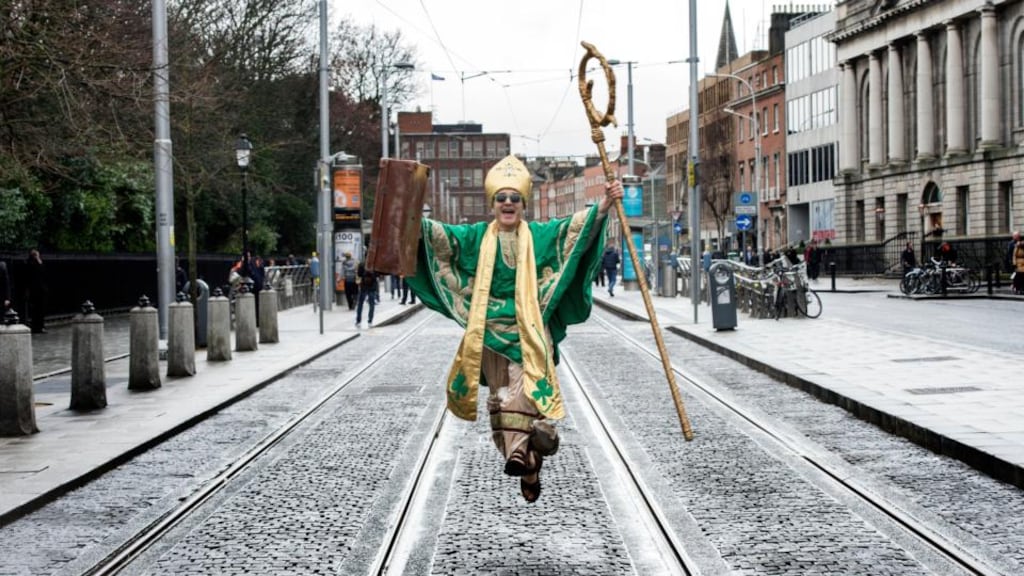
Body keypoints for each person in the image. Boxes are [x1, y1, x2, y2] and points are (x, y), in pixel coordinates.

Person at [404, 154, 623, 503]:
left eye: (514, 198)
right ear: (493, 204)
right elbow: (444, 239)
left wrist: (606, 202)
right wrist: (407, 212)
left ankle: (519, 455)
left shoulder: (538, 235)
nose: (508, 203)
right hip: (488, 330)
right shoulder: (476, 237)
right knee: (499, 398)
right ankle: (530, 460)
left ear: (523, 204)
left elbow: (574, 229)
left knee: (521, 392)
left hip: (530, 329)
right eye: (501, 198)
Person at [26, 249, 47, 333]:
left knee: (41, 310)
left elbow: (43, 272)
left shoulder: (38, 263)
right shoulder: (30, 264)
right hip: (34, 290)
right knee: (35, 310)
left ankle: (40, 326)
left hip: (40, 290)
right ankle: (36, 327)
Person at [354, 260, 377, 328]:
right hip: (372, 287)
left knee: (360, 304)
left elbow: (359, 274)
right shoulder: (374, 263)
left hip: (364, 286)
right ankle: (370, 321)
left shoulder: (362, 263)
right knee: (371, 304)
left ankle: (358, 321)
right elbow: (377, 275)